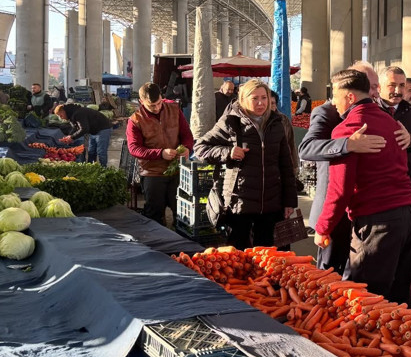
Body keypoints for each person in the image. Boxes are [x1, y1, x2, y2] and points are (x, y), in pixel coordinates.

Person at [314, 69, 411, 304]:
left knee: (361, 299)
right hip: (409, 217)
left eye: (336, 96)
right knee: (398, 297)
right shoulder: (391, 121)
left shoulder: (349, 130)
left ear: (350, 97)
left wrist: (323, 228)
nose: (334, 103)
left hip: (378, 222)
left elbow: (339, 190)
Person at [299, 62, 410, 274]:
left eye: (376, 86)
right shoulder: (327, 113)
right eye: (371, 87)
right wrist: (347, 144)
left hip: (372, 212)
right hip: (338, 211)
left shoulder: (385, 114)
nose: (375, 92)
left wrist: (409, 138)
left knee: (367, 283)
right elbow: (305, 148)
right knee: (329, 272)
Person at [194, 80, 298, 248]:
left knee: (270, 257)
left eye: (264, 98)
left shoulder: (277, 123)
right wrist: (228, 152)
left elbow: (286, 165)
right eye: (255, 98)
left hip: (272, 203)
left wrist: (289, 201)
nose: (260, 103)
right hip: (240, 204)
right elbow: (200, 148)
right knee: (241, 258)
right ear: (242, 99)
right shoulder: (231, 123)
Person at [127, 83, 194, 225]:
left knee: (181, 211)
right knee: (154, 212)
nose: (157, 108)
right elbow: (134, 148)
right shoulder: (135, 120)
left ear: (161, 98)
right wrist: (160, 153)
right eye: (152, 106)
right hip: (152, 172)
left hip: (177, 170)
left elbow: (186, 134)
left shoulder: (174, 109)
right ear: (141, 102)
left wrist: (187, 148)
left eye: (158, 103)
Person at [378, 66, 411, 203]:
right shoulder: (370, 112)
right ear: (379, 87)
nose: (397, 91)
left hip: (405, 185)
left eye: (401, 86)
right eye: (392, 85)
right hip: (377, 186)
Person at [270, 90, 299, 175]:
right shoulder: (258, 121)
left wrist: (294, 166)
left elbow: (291, 143)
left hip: (282, 165)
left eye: (273, 103)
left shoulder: (283, 120)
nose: (270, 106)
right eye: (268, 103)